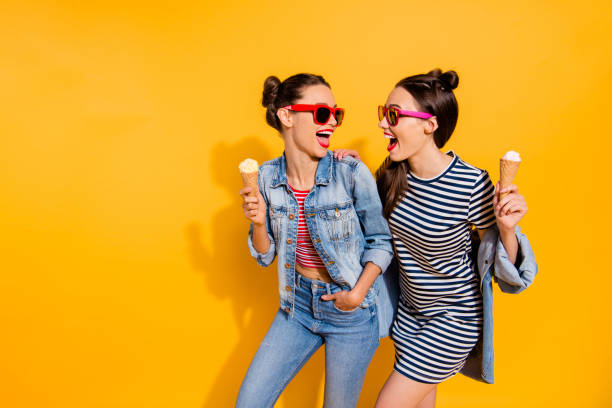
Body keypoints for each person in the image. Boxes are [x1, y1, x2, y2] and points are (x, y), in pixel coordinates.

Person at [335, 69, 532, 408]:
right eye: (384, 113)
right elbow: (373, 227)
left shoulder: (470, 184)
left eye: (393, 115)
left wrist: (507, 229)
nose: (383, 123)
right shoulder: (391, 174)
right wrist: (358, 174)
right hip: (409, 317)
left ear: (430, 124)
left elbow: (502, 266)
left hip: (453, 320)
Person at [236, 73, 395, 408]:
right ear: (287, 115)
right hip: (297, 307)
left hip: (351, 311)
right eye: (322, 113)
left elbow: (381, 242)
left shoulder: (349, 172)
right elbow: (265, 256)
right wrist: (259, 223)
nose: (332, 123)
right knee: (249, 403)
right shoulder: (265, 177)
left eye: (336, 114)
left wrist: (356, 295)